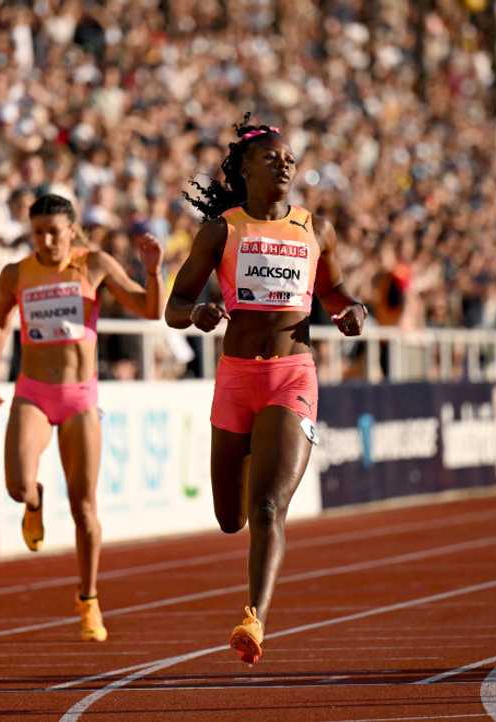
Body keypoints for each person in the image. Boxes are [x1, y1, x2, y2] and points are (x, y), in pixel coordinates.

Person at [165, 118, 367, 664]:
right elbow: (173, 305)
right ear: (244, 168)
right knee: (230, 517)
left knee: (269, 506)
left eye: (290, 159)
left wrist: (352, 311)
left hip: (291, 374)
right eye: (272, 157)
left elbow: (336, 291)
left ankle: (253, 617)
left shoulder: (314, 229)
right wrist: (200, 311)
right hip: (236, 377)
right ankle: (259, 455)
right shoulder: (221, 230)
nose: (284, 164)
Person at [0, 192, 163, 641]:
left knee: (84, 509)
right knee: (18, 484)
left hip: (80, 398)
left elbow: (150, 309)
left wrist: (154, 271)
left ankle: (88, 600)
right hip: (34, 392)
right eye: (37, 233)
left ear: (72, 230)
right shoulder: (17, 273)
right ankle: (35, 502)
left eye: (53, 233)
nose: (45, 241)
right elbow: (1, 321)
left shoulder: (93, 264)